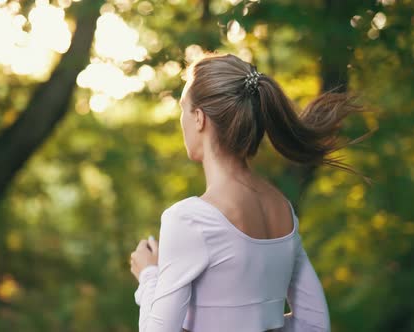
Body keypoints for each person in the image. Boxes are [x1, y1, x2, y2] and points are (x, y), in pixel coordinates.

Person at [128, 53, 371, 332]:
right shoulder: (283, 209)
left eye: (183, 109)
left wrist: (149, 275)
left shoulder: (189, 219)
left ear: (198, 118)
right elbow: (315, 324)